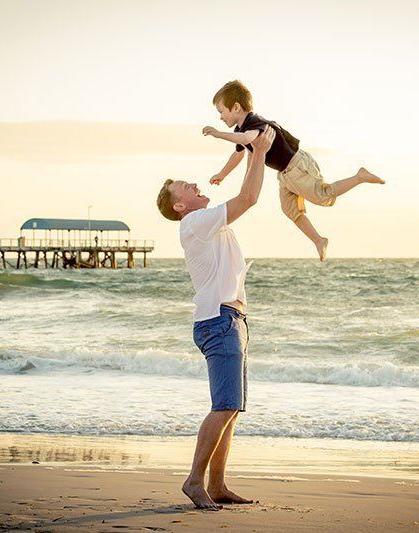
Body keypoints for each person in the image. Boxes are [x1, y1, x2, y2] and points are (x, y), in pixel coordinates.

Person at [156, 127, 276, 510]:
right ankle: (195, 481)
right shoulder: (195, 223)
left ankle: (219, 485)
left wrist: (249, 153)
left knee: (232, 410)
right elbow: (250, 197)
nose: (193, 183)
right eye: (184, 187)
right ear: (180, 206)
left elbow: (243, 195)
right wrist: (259, 151)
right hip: (218, 321)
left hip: (232, 321)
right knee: (224, 406)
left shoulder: (207, 224)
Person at [203, 80, 386, 261]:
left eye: (221, 112)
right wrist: (222, 175)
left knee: (323, 196)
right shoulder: (241, 128)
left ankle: (360, 176)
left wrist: (219, 134)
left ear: (235, 107)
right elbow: (239, 154)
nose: (220, 117)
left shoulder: (254, 123)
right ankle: (319, 240)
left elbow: (247, 138)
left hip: (297, 166)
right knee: (290, 210)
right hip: (284, 173)